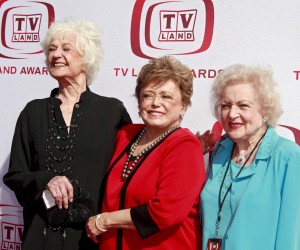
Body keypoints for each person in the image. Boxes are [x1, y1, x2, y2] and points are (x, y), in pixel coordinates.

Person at [3, 17, 131, 250]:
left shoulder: (112, 111)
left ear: (86, 59)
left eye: (66, 48)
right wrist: (46, 179)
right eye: (51, 49)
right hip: (39, 238)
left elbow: (133, 165)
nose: (55, 55)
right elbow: (15, 175)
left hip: (92, 239)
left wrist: (177, 144)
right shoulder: (33, 111)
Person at [86, 55, 206, 249]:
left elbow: (165, 213)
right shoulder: (125, 135)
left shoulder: (185, 146)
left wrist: (104, 221)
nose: (155, 103)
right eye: (148, 95)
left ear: (183, 105)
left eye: (166, 96)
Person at [200, 64, 300, 250]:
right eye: (225, 105)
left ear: (265, 110)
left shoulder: (289, 157)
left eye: (243, 105)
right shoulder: (220, 151)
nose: (232, 114)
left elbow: (291, 237)